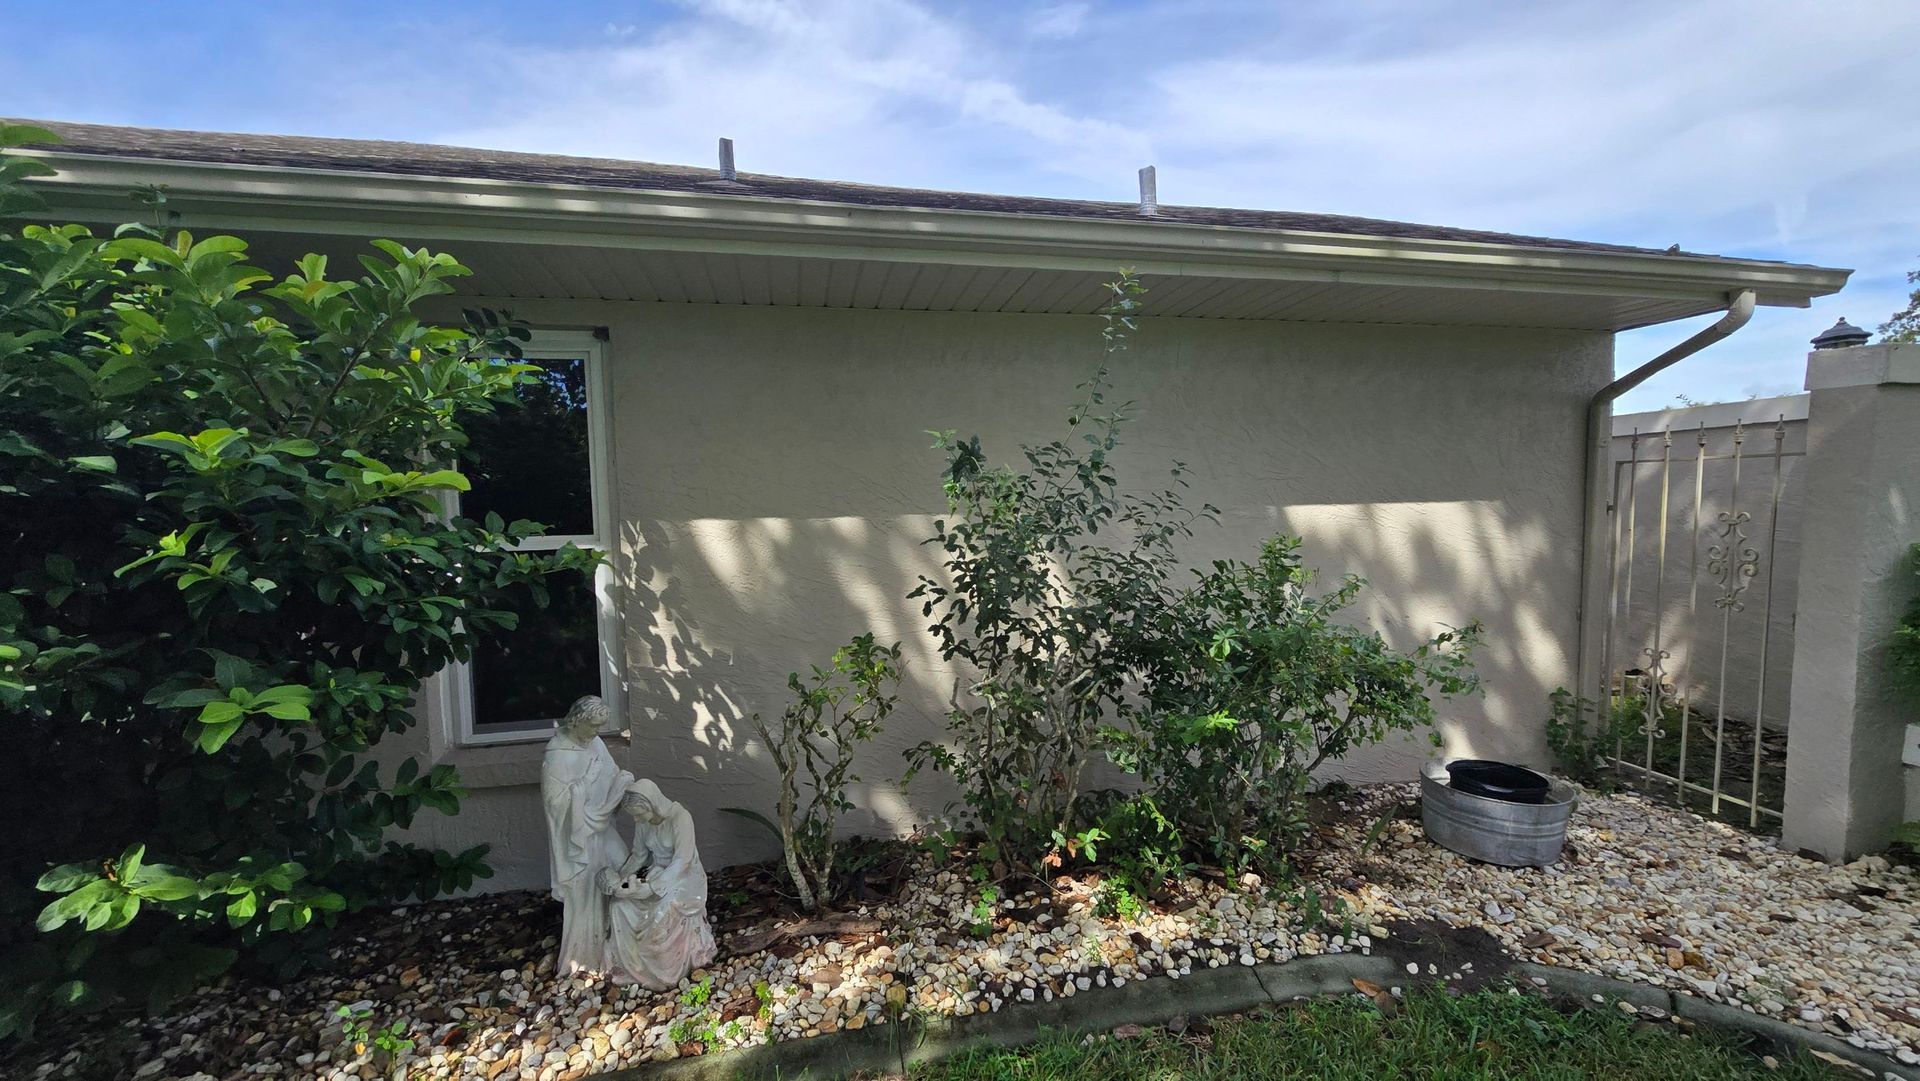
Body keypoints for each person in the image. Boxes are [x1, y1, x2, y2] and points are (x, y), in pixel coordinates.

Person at [540, 696, 633, 975]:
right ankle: (585, 954)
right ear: (577, 720)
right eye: (592, 727)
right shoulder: (556, 754)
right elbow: (555, 805)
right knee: (585, 892)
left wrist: (621, 782)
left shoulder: (595, 743)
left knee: (624, 868)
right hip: (578, 839)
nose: (596, 733)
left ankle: (622, 942)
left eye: (599, 728)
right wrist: (585, 784)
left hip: (601, 827)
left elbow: (611, 772)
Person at [598, 778, 716, 989]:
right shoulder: (644, 823)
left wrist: (654, 886)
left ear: (651, 804)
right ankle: (633, 968)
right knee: (620, 906)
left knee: (662, 912)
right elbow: (638, 855)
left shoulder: (680, 818)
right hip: (656, 875)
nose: (636, 819)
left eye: (638, 813)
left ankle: (666, 973)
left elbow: (683, 859)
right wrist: (619, 881)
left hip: (683, 879)